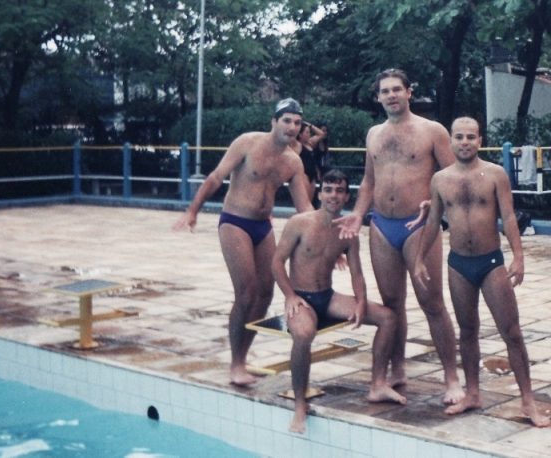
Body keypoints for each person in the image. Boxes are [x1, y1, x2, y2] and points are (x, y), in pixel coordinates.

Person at [333, 68, 464, 404]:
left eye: (396, 89)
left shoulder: (431, 130)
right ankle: (398, 369)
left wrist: (434, 204)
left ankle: (452, 378)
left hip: (418, 226)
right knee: (393, 305)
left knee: (432, 302)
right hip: (381, 225)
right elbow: (368, 182)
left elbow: (452, 176)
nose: (390, 95)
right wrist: (358, 214)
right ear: (378, 97)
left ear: (409, 92)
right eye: (384, 91)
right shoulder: (373, 134)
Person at [412, 117, 550, 427]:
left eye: (470, 137)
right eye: (459, 137)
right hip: (458, 263)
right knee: (467, 331)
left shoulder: (495, 174)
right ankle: (472, 393)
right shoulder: (440, 179)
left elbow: (509, 217)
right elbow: (433, 222)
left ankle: (528, 400)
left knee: (511, 332)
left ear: (480, 140)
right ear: (450, 140)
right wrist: (419, 258)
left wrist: (518, 256)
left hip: (490, 262)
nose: (464, 142)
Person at [172, 98, 314, 386]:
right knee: (247, 292)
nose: (292, 127)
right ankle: (236, 363)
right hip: (235, 222)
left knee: (266, 293)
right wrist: (192, 211)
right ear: (273, 122)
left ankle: (243, 358)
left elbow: (305, 208)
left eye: (297, 123)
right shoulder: (247, 143)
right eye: (286, 120)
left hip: (263, 226)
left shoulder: (293, 162)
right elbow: (215, 177)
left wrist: (325, 239)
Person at [272, 169, 407, 434]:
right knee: (303, 333)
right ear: (320, 193)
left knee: (388, 318)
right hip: (302, 298)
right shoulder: (299, 223)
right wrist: (290, 296)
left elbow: (357, 272)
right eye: (329, 190)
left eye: (340, 191)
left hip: (328, 297)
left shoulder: (348, 231)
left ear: (347, 196)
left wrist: (360, 302)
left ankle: (377, 383)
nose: (334, 196)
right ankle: (300, 404)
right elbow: (276, 262)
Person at [295, 122, 328, 200]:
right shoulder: (297, 145)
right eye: (307, 132)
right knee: (304, 200)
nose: (309, 134)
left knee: (310, 201)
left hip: (312, 175)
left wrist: (309, 125)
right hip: (303, 174)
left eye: (309, 132)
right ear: (300, 134)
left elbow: (321, 134)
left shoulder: (310, 143)